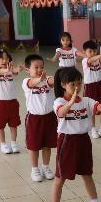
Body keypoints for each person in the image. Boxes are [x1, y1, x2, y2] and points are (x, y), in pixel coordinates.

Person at [50, 67, 101, 202]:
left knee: (87, 174)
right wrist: (71, 102)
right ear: (63, 85)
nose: (77, 87)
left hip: (83, 141)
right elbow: (61, 113)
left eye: (79, 84)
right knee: (60, 178)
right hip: (67, 141)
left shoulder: (87, 101)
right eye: (72, 84)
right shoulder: (59, 101)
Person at [22, 54, 57, 183]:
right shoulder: (26, 82)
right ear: (28, 70)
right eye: (36, 67)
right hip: (34, 119)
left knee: (47, 145)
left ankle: (45, 167)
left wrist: (58, 77)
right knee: (34, 146)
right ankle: (35, 169)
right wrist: (39, 79)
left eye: (41, 67)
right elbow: (32, 83)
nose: (39, 70)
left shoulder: (46, 80)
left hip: (49, 117)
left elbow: (51, 81)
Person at [0, 49, 24, 154]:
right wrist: (7, 70)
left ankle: (13, 143)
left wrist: (19, 69)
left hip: (13, 102)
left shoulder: (10, 69)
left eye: (7, 58)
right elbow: (0, 72)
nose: (5, 60)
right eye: (2, 58)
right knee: (0, 125)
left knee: (14, 124)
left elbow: (15, 71)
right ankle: (3, 145)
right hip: (1, 103)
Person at [81, 40, 101, 138]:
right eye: (90, 51)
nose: (92, 53)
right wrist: (99, 55)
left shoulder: (98, 60)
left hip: (99, 85)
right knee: (91, 110)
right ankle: (93, 130)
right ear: (84, 52)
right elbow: (91, 60)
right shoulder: (85, 61)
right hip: (89, 87)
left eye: (94, 51)